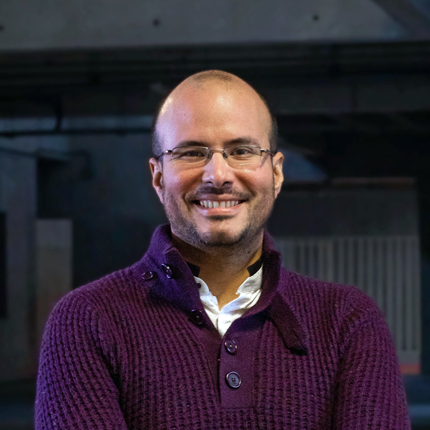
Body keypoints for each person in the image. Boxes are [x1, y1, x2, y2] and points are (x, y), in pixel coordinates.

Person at [35, 70, 411, 429]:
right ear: (158, 176)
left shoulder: (347, 322)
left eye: (242, 150)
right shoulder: (87, 321)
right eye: (191, 152)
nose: (218, 175)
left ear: (276, 173)